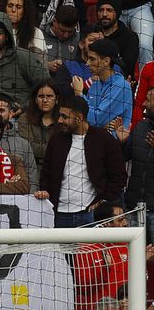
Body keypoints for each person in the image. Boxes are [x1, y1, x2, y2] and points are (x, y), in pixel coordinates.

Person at [38, 95, 127, 226]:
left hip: (89, 216)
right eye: (60, 115)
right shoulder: (56, 140)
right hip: (58, 214)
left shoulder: (104, 139)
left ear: (79, 118)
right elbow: (46, 173)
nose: (60, 120)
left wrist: (103, 200)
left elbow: (119, 175)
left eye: (64, 116)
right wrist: (47, 196)